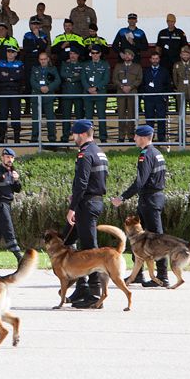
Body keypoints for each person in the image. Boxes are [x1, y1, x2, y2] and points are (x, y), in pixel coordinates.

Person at [111, 125, 169, 287]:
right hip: (154, 198)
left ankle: (162, 276)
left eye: (136, 136)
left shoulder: (146, 155)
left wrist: (122, 197)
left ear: (143, 138)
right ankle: (138, 274)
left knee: (155, 239)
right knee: (139, 237)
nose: (134, 139)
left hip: (149, 200)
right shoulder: (157, 153)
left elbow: (140, 182)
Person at [65, 119, 109, 309]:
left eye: (75, 134)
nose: (73, 137)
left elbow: (82, 182)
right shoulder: (98, 151)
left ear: (82, 134)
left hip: (86, 204)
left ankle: (94, 293)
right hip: (93, 201)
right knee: (68, 241)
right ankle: (81, 286)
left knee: (90, 249)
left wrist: (72, 207)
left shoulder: (85, 153)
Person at [0, 45, 24, 143]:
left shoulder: (19, 63)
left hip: (15, 92)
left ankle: (16, 137)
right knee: (3, 115)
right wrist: (12, 76)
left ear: (16, 54)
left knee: (16, 114)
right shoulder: (0, 63)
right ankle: (1, 136)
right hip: (3, 91)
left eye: (12, 52)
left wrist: (7, 76)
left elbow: (20, 77)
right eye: (8, 52)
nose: (10, 54)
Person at [29, 51, 61, 143]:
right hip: (36, 96)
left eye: (44, 59)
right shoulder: (35, 69)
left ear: (48, 59)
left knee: (50, 118)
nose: (43, 61)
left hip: (48, 97)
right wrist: (40, 88)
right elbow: (32, 81)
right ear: (39, 60)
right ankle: (34, 138)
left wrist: (48, 88)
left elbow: (57, 80)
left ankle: (52, 138)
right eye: (41, 59)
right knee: (36, 118)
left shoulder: (53, 69)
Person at [113, 48, 143, 142]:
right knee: (121, 114)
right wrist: (122, 86)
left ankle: (131, 136)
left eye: (129, 55)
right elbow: (114, 79)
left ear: (132, 57)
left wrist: (131, 87)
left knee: (131, 115)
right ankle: (121, 136)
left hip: (132, 92)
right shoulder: (118, 66)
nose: (127, 56)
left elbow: (139, 79)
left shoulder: (137, 67)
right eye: (125, 54)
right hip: (121, 92)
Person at [140, 51, 170, 141]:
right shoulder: (146, 71)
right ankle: (150, 137)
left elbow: (168, 84)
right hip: (149, 98)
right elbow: (142, 84)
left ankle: (161, 137)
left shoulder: (164, 71)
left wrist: (164, 96)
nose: (155, 60)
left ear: (159, 59)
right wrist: (144, 95)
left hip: (160, 98)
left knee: (161, 118)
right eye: (153, 59)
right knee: (149, 118)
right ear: (150, 60)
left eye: (156, 58)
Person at [83, 45, 111, 142]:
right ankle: (89, 137)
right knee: (88, 116)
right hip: (88, 94)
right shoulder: (86, 64)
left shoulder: (105, 64)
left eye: (96, 53)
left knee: (101, 116)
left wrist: (96, 88)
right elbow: (83, 78)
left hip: (100, 93)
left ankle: (103, 137)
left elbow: (106, 79)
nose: (94, 55)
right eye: (93, 53)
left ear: (100, 54)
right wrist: (89, 88)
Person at [59, 46, 86, 127]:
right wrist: (74, 75)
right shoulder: (65, 64)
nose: (72, 56)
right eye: (71, 54)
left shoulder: (82, 65)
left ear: (78, 55)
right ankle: (65, 134)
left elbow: (81, 76)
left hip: (78, 93)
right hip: (67, 93)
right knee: (66, 117)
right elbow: (62, 74)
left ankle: (80, 134)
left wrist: (70, 78)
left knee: (79, 116)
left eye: (74, 54)